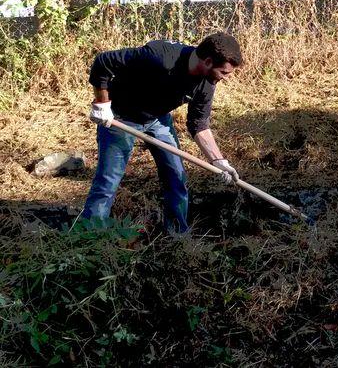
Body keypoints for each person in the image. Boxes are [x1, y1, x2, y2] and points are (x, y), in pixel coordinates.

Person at [80, 32, 243, 232]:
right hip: (120, 116)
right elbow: (103, 61)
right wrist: (102, 104)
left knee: (176, 177)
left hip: (157, 119)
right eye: (224, 72)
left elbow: (199, 123)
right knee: (108, 180)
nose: (225, 78)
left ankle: (177, 236)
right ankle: (91, 234)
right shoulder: (159, 57)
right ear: (208, 61)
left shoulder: (206, 84)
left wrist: (218, 161)